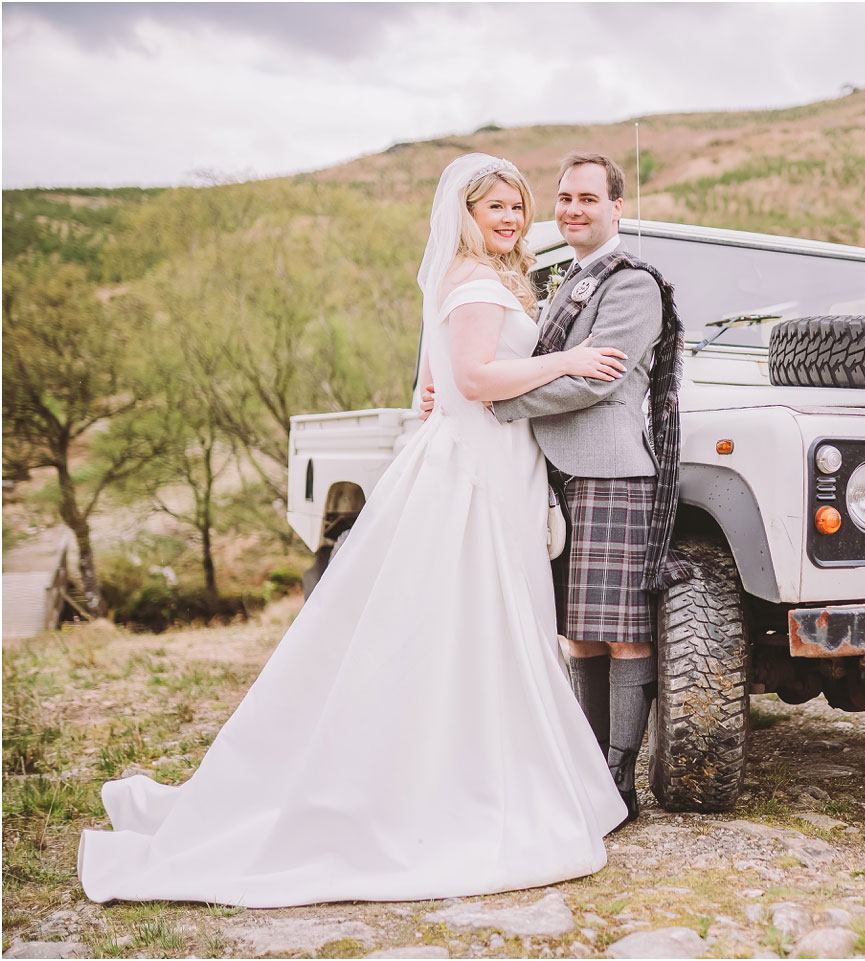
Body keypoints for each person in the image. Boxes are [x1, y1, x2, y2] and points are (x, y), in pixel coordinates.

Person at [76, 154, 630, 908]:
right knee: (472, 623)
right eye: (492, 208)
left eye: (514, 208)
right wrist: (566, 358)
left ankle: (477, 766)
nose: (506, 219)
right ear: (462, 215)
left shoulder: (482, 280)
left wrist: (455, 377)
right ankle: (455, 786)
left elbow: (446, 377)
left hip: (494, 461)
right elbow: (472, 379)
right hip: (474, 471)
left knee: (477, 626)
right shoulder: (471, 281)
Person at [426, 153, 690, 826]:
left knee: (623, 633)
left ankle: (618, 777)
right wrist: (449, 382)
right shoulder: (565, 275)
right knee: (578, 633)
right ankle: (582, 764)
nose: (572, 209)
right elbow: (502, 355)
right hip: (554, 472)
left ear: (616, 208)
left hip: (608, 471)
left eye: (588, 199)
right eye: (564, 198)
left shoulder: (633, 284)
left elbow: (593, 380)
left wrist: (491, 403)